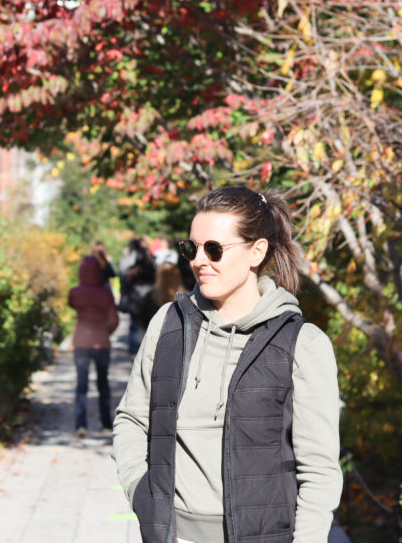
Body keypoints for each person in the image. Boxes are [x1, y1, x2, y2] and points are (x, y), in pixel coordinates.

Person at [113, 186, 342, 543]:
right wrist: (142, 493)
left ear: (257, 251)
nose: (198, 260)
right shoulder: (168, 324)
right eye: (191, 248)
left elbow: (319, 472)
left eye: (214, 249)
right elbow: (132, 418)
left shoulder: (303, 344)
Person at [69, 254, 120, 437]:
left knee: (81, 385)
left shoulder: (74, 292)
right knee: (103, 384)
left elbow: (72, 304)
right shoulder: (106, 293)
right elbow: (114, 320)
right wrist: (106, 333)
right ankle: (106, 424)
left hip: (81, 342)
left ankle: (80, 425)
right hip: (101, 344)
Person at [117, 237, 156, 354]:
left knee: (135, 324)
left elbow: (123, 281)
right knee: (148, 324)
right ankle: (145, 348)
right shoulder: (151, 264)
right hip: (148, 298)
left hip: (135, 298)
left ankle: (135, 348)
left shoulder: (128, 266)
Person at [135, 261, 183, 335]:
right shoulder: (186, 297)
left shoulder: (150, 296)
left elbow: (142, 320)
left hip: (155, 337)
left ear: (158, 276)